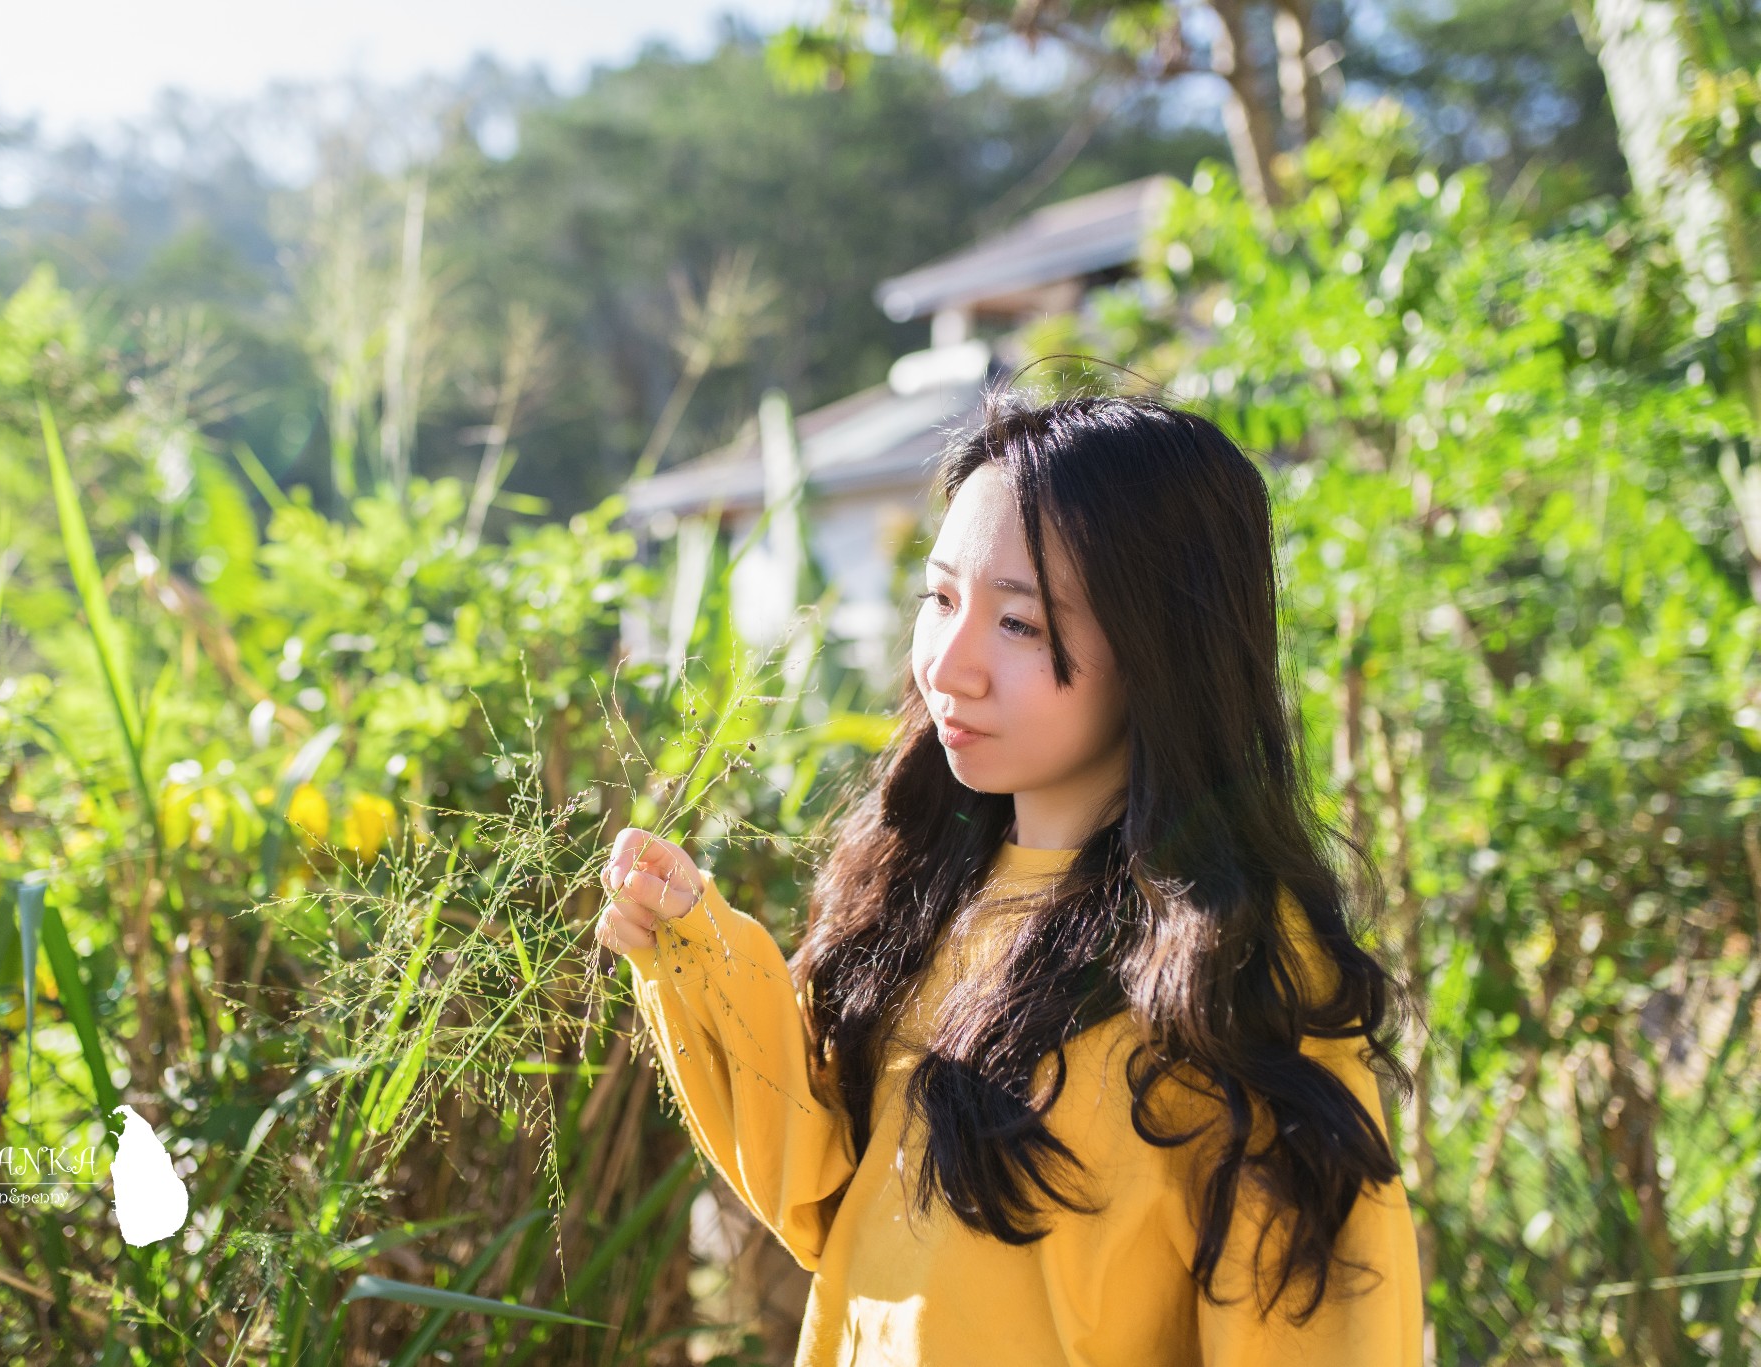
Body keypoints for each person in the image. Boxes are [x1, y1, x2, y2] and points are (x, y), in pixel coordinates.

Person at [593, 389, 1423, 1366]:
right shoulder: (921, 890)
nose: (949, 664)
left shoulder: (1233, 971)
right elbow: (827, 1196)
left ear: (1161, 647)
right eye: (940, 599)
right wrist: (697, 951)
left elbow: (1314, 1331)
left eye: (1020, 624)